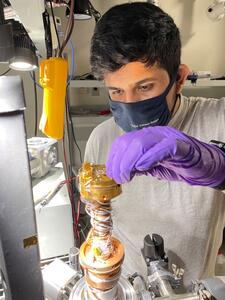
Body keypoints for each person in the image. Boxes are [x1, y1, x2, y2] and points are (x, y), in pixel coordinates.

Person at [84, 2, 225, 288]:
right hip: (127, 287)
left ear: (180, 78)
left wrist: (209, 163)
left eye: (145, 87)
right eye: (116, 91)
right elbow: (99, 222)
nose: (131, 103)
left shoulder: (218, 118)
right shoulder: (100, 138)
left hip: (197, 291)